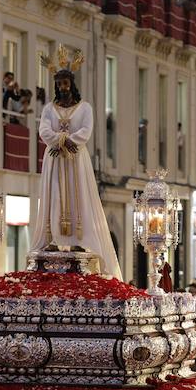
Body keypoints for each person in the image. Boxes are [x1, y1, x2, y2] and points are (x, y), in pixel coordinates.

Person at [30, 47, 121, 279]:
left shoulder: (85, 108)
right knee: (54, 196)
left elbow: (86, 130)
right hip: (55, 159)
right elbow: (44, 130)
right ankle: (53, 239)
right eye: (59, 84)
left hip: (76, 158)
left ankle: (78, 240)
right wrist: (61, 141)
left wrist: (70, 142)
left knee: (77, 196)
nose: (63, 87)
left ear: (72, 84)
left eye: (65, 83)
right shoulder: (49, 109)